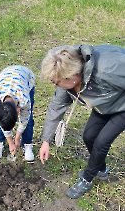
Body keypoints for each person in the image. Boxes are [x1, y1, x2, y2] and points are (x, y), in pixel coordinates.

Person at [39, 44, 125, 199]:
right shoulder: (69, 84)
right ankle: (100, 169)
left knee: (101, 141)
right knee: (89, 136)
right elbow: (56, 107)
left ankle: (87, 178)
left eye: (56, 82)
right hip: (105, 104)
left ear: (72, 76)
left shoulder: (108, 69)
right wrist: (46, 141)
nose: (54, 85)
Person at [0, 65, 35, 161]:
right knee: (0, 121)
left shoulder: (24, 99)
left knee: (29, 118)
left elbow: (24, 119)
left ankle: (27, 144)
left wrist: (17, 138)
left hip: (26, 78)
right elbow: (3, 122)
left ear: (18, 110)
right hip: (6, 76)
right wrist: (11, 142)